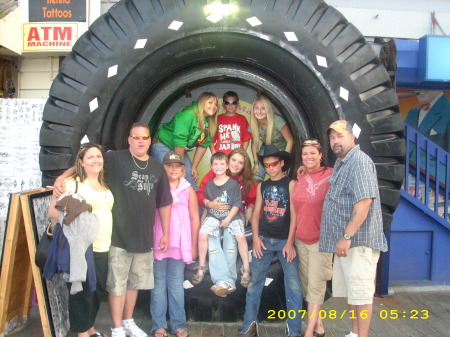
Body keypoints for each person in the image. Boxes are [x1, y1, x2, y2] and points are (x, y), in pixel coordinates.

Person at [53, 123, 173, 337]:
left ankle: (125, 322)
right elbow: (88, 160)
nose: (140, 140)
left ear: (150, 140)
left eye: (145, 136)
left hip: (136, 238)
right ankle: (114, 327)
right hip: (110, 239)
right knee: (110, 285)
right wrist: (62, 177)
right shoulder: (114, 159)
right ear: (129, 139)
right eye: (136, 136)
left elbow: (164, 203)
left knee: (124, 285)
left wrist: (166, 232)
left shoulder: (156, 168)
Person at [319, 120, 388, 337]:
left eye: (340, 136)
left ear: (352, 137)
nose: (335, 141)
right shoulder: (343, 162)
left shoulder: (359, 161)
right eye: (332, 137)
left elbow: (364, 202)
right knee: (353, 293)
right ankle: (354, 333)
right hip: (349, 243)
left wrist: (347, 236)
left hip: (358, 241)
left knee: (362, 294)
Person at [48, 143, 114, 337]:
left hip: (103, 244)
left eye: (98, 156)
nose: (96, 160)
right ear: (81, 162)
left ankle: (90, 326)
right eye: (90, 157)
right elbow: (53, 211)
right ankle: (81, 332)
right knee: (81, 291)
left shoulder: (104, 183)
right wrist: (77, 218)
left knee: (97, 290)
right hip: (81, 246)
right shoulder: (72, 183)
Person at [240, 144, 302, 337]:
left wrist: (291, 241)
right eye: (266, 165)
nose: (270, 168)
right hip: (264, 239)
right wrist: (256, 238)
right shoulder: (263, 186)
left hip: (285, 240)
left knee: (294, 287)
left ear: (282, 163)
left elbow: (295, 214)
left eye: (274, 164)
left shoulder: (291, 184)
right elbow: (257, 213)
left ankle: (294, 330)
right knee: (254, 283)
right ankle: (249, 327)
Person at [151, 152, 200, 337]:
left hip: (180, 243)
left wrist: (193, 245)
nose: (173, 169)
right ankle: (159, 325)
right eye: (169, 165)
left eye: (177, 166)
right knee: (158, 284)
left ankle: (179, 324)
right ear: (163, 168)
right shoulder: (157, 186)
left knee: (176, 283)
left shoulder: (188, 189)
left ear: (182, 169)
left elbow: (195, 218)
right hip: (160, 242)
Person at [196, 148, 257, 291]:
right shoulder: (216, 172)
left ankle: (224, 282)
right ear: (227, 162)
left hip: (235, 214)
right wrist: (208, 203)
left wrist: (250, 209)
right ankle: (225, 282)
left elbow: (252, 199)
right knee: (211, 238)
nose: (236, 164)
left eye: (241, 162)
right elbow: (200, 194)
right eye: (234, 160)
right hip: (214, 213)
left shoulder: (245, 180)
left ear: (244, 166)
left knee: (231, 239)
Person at [292, 139, 333, 337]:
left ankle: (309, 331)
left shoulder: (332, 174)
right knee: (308, 285)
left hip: (320, 240)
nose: (309, 157)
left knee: (317, 286)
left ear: (321, 155)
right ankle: (319, 327)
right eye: (305, 154)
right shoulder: (300, 177)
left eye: (312, 153)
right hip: (301, 239)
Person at [151, 92, 219, 189]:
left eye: (216, 104)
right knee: (175, 176)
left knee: (191, 180)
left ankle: (194, 204)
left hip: (177, 149)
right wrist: (180, 166)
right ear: (202, 103)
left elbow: (203, 145)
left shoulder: (209, 123)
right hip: (163, 145)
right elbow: (179, 142)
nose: (213, 106)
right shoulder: (188, 115)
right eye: (210, 102)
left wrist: (194, 166)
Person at [249, 96, 294, 181]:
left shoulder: (277, 121)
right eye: (256, 108)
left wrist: (285, 163)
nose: (259, 111)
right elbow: (254, 144)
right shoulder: (253, 124)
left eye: (263, 108)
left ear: (268, 109)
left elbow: (290, 140)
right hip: (267, 149)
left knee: (282, 176)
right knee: (255, 176)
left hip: (282, 150)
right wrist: (256, 163)